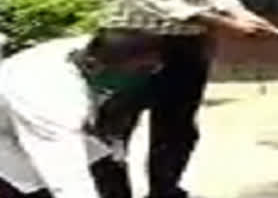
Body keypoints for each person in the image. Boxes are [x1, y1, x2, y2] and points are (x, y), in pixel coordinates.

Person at [88, 0, 278, 198]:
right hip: (129, 46)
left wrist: (242, 15)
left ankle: (165, 189)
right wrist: (222, 23)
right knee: (115, 129)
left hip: (187, 46)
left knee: (177, 128)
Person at [0, 30, 164, 198]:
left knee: (110, 183)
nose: (151, 74)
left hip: (44, 125)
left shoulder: (96, 49)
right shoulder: (45, 96)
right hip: (7, 144)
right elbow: (67, 177)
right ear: (93, 66)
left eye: (154, 67)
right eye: (142, 70)